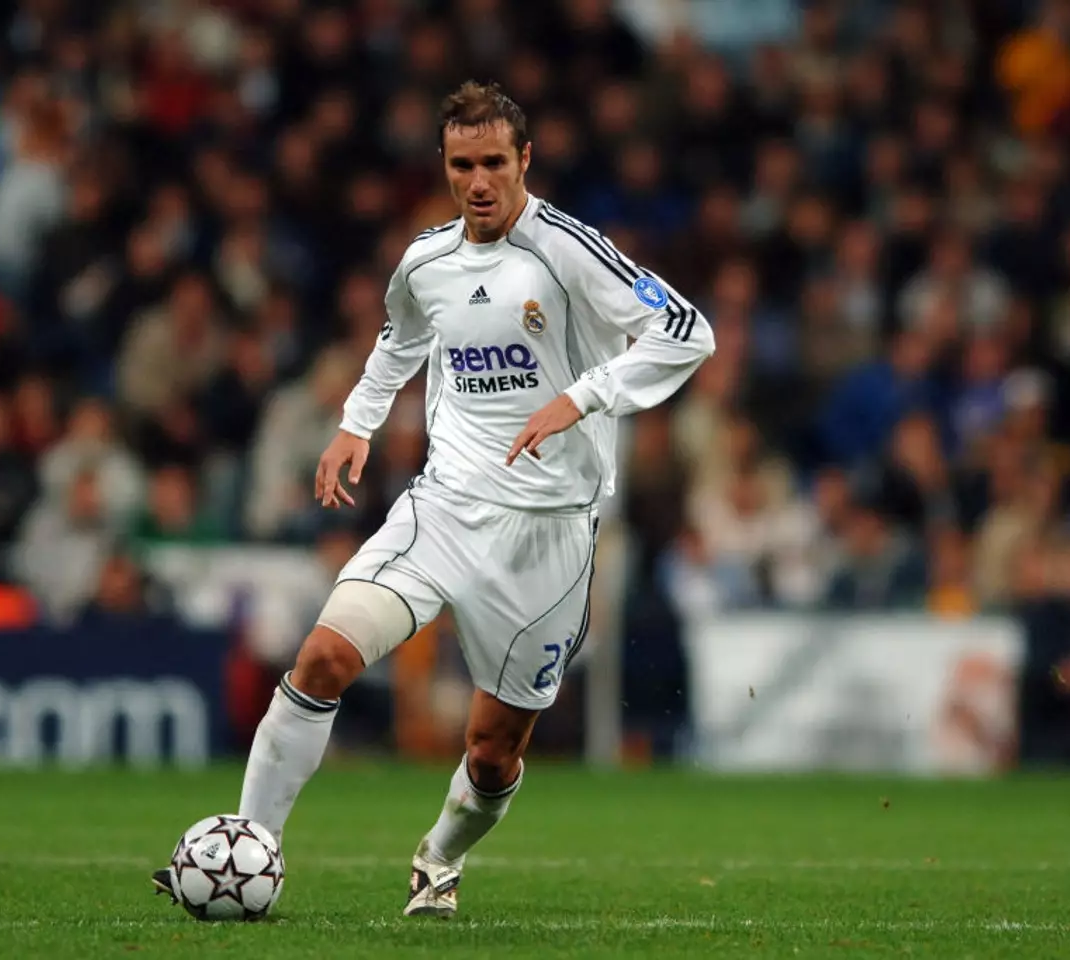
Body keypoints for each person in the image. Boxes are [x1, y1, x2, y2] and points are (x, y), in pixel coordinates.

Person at [153, 81, 713, 917]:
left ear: (526, 160)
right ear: (444, 167)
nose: (478, 181)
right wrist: (356, 424)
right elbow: (399, 339)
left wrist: (584, 396)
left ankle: (439, 856)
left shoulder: (569, 250)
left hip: (549, 538)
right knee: (323, 660)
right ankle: (247, 847)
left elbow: (687, 331)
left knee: (492, 752)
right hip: (443, 508)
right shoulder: (427, 260)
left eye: (494, 162)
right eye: (462, 165)